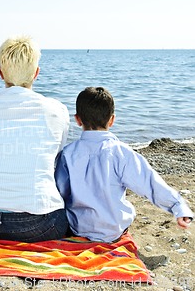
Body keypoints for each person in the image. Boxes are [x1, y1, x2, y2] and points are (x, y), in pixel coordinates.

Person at [0, 36, 70, 243]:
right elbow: (55, 155)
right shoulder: (56, 110)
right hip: (39, 223)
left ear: (0, 72)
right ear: (36, 73)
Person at [55, 87, 194, 243]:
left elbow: (61, 191)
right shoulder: (121, 152)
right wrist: (178, 207)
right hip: (113, 231)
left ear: (78, 119)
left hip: (78, 228)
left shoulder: (68, 153)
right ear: (112, 120)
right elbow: (149, 183)